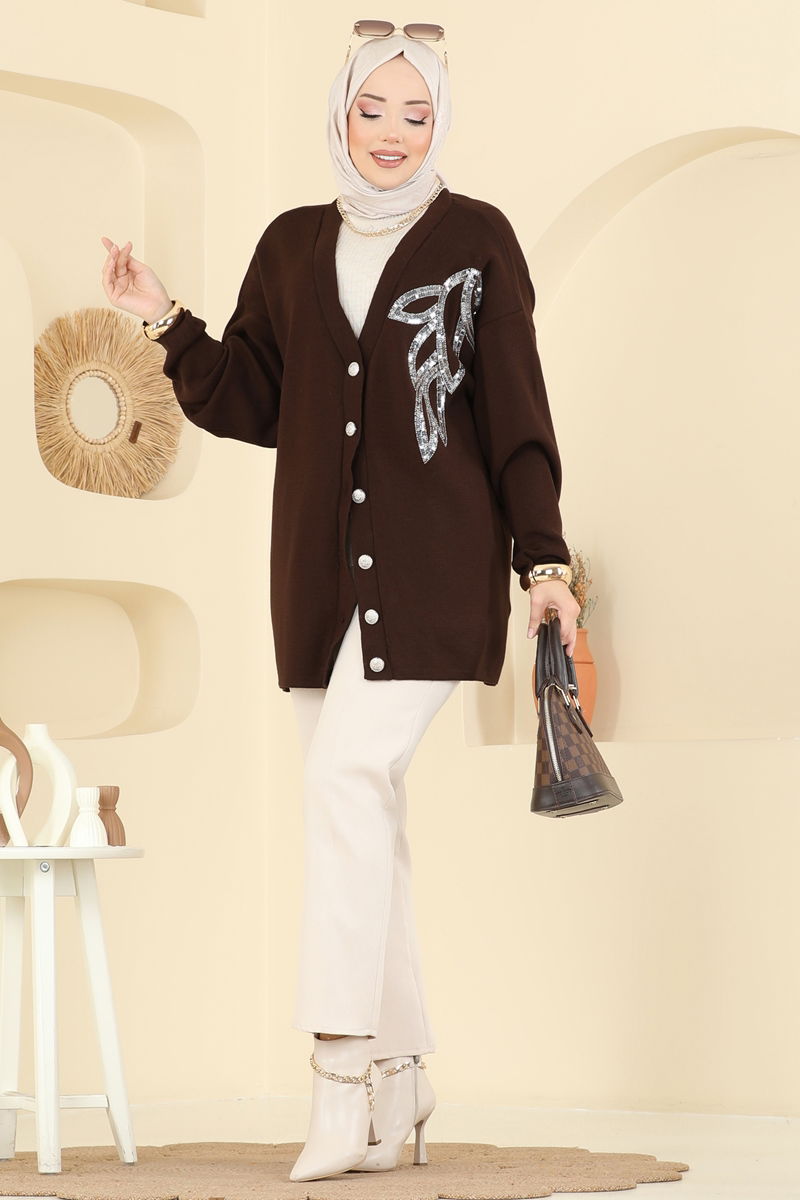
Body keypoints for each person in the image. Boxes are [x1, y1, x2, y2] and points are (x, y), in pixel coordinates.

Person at [100, 22, 580, 1184]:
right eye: (373, 110)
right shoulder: (290, 243)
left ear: (440, 124)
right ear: (340, 114)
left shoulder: (476, 239)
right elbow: (254, 402)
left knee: (341, 785)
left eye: (416, 114)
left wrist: (544, 562)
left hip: (432, 574)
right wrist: (165, 320)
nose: (391, 133)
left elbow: (515, 413)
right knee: (369, 820)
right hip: (319, 582)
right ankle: (404, 1080)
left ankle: (337, 1077)